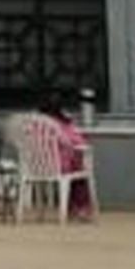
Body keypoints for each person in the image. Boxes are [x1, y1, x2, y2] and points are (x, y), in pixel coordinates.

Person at [39, 93, 93, 222]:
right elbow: (79, 142)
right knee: (79, 171)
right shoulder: (62, 124)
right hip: (61, 166)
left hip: (37, 167)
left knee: (74, 167)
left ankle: (73, 207)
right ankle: (79, 208)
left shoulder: (34, 124)